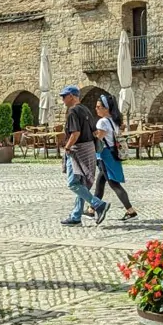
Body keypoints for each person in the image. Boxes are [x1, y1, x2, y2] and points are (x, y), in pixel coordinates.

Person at [58, 85, 109, 226]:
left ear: (72, 96)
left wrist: (67, 147)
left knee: (73, 183)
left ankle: (98, 205)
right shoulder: (86, 109)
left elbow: (75, 133)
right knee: (82, 184)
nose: (62, 99)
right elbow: (95, 132)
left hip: (77, 150)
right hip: (88, 149)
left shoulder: (73, 111)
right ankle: (76, 216)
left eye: (64, 96)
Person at [93, 95, 138, 220]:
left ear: (106, 108)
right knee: (100, 182)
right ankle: (91, 209)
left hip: (105, 154)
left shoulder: (102, 122)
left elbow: (99, 140)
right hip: (113, 152)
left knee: (114, 184)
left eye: (98, 107)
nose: (96, 109)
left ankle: (130, 210)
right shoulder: (113, 120)